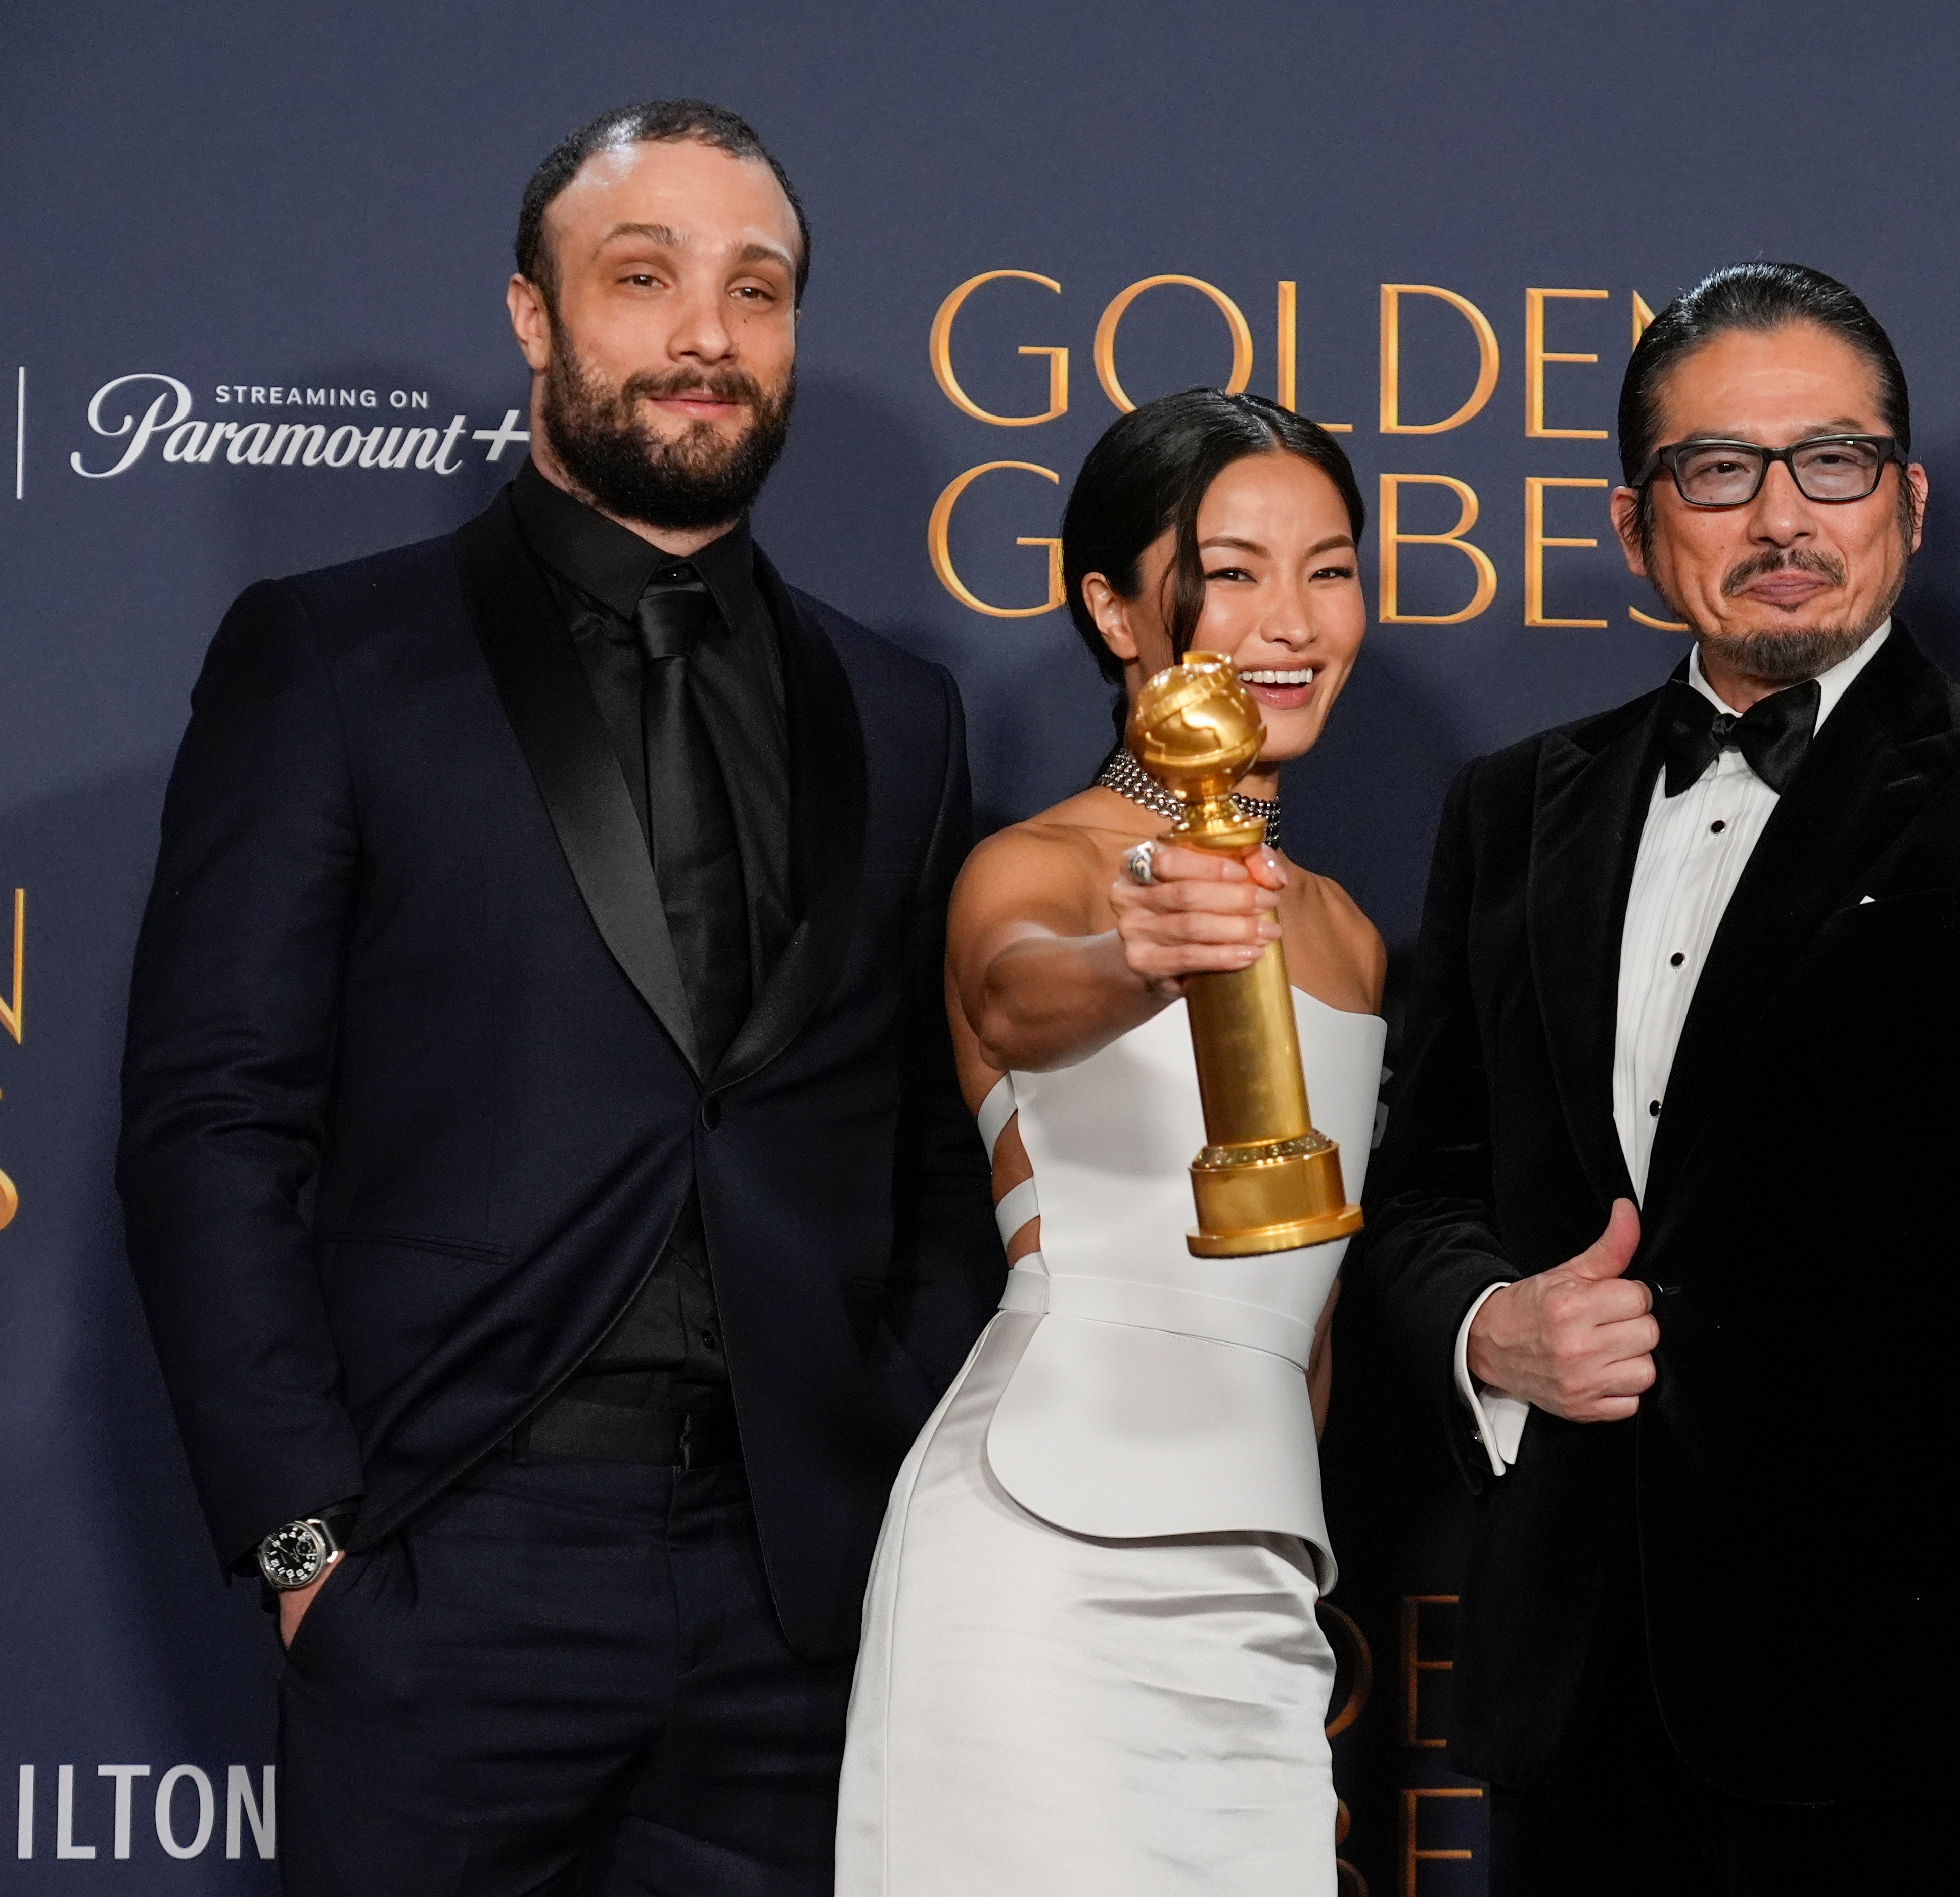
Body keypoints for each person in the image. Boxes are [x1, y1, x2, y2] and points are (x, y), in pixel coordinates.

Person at [117, 101, 1000, 1895]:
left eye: (758, 291)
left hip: (791, 1602)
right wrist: (310, 1544)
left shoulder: (898, 712)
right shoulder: (335, 656)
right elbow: (214, 1118)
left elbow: (924, 1142)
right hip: (451, 1562)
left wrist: (878, 1483)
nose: (705, 336)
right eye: (645, 278)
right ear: (534, 317)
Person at [1352, 261, 1960, 1895]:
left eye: (1834, 461)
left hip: (1901, 1691)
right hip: (1581, 1680)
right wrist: (1490, 1324)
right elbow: (1424, 1197)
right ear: (1631, 526)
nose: (1782, 514)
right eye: (1718, 469)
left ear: (1910, 502)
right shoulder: (1511, 806)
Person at [836, 388, 1387, 1896]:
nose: (1291, 619)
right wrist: (1143, 948)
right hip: (1032, 1575)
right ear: (1114, 609)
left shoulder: (1343, 930)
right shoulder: (1042, 868)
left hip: (1263, 1589)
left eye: (1330, 567)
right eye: (1233, 569)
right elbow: (1014, 998)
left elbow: (1310, 1318)